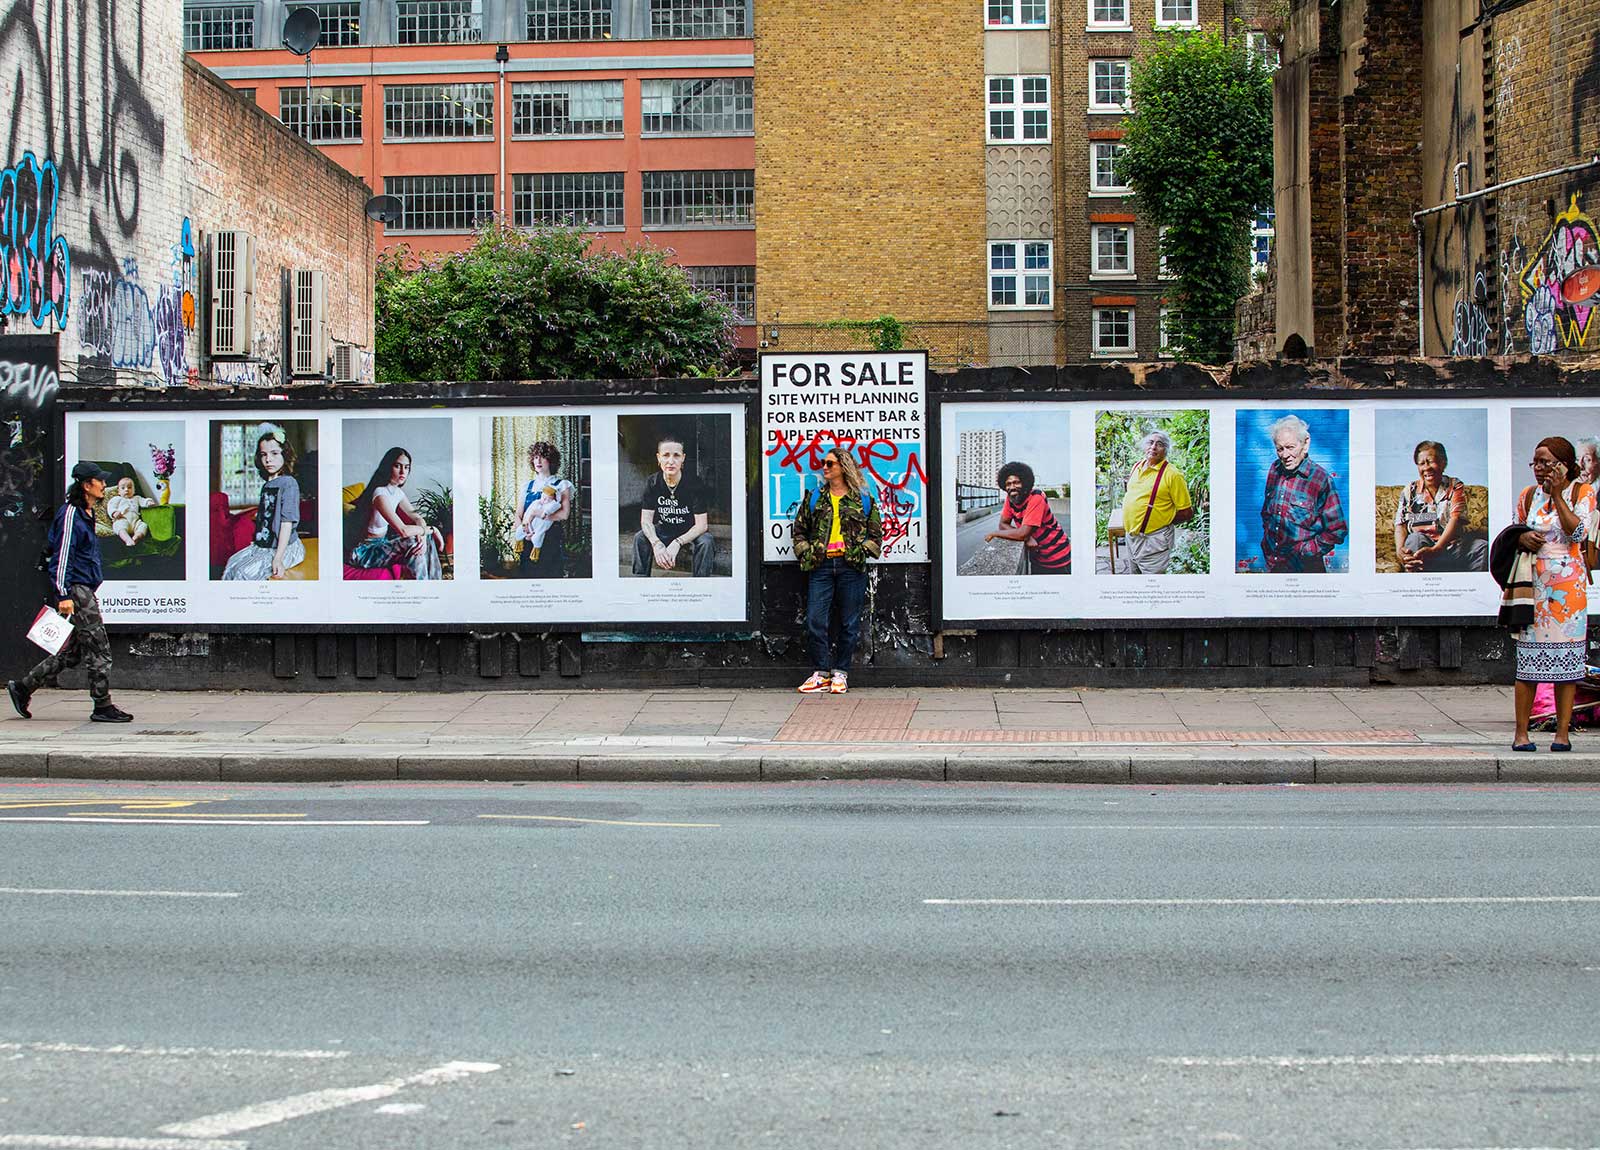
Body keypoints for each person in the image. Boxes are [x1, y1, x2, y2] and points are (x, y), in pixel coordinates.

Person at [7, 462, 133, 723]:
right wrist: (64, 595)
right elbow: (62, 557)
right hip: (76, 590)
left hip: (83, 588)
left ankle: (23, 687)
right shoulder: (72, 514)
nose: (103, 485)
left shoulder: (87, 512)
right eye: (99, 481)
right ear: (87, 485)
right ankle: (102, 705)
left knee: (73, 653)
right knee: (100, 649)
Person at [1511, 436, 1595, 751]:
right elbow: (1513, 533)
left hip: (1568, 590)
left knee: (1567, 664)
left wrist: (1558, 494)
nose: (1539, 469)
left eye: (1545, 462)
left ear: (1562, 464)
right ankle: (1521, 734)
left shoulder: (1581, 492)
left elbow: (1577, 532)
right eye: (1535, 462)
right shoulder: (1527, 495)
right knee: (1527, 662)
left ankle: (1562, 733)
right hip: (1533, 585)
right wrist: (1523, 539)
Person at [792, 448, 883, 694]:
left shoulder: (862, 499)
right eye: (824, 463)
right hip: (820, 566)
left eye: (830, 463)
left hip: (850, 568)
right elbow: (799, 530)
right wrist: (806, 553)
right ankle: (821, 673)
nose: (825, 467)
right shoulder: (815, 498)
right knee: (815, 619)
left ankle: (841, 673)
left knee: (849, 623)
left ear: (843, 467)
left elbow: (876, 535)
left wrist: (860, 553)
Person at [1259, 414, 1347, 573]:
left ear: (1305, 444)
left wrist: (1307, 551)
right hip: (1274, 563)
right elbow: (1267, 512)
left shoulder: (1320, 479)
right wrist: (1267, 541)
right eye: (1280, 449)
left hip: (1306, 567)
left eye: (1290, 447)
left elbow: (1337, 530)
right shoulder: (1274, 469)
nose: (1285, 455)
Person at [222, 426, 307, 580]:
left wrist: (278, 558)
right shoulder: (267, 484)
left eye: (274, 453)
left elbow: (286, 523)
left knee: (244, 573)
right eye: (263, 455)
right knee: (231, 563)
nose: (268, 459)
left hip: (284, 547)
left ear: (285, 455)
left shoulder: (289, 483)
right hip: (263, 544)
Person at [347, 446, 444, 580]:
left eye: (407, 467)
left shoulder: (397, 492)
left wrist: (422, 534)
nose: (403, 472)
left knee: (419, 539)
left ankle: (432, 583)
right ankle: (421, 587)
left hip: (383, 544)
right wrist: (432, 530)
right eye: (398, 466)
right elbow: (403, 531)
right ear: (388, 467)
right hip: (365, 552)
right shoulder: (379, 493)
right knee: (413, 540)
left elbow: (416, 516)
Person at [1393, 440, 1488, 573]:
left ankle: (1468, 590)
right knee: (1415, 538)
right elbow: (1400, 525)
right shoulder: (1410, 490)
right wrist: (1399, 552)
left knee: (1482, 547)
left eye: (1431, 461)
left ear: (1443, 463)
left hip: (1451, 547)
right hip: (1422, 549)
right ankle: (1419, 586)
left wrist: (1436, 549)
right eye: (1421, 463)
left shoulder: (1454, 485)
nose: (1426, 468)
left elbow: (1455, 519)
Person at [631, 434, 716, 577]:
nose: (671, 461)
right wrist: (657, 544)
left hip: (689, 530)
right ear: (659, 458)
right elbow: (646, 521)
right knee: (640, 537)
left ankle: (702, 584)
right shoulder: (652, 482)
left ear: (683, 458)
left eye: (676, 455)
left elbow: (702, 525)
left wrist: (677, 543)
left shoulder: (694, 483)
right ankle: (640, 583)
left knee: (707, 541)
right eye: (666, 455)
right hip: (663, 529)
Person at [1119, 430, 1194, 574]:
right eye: (1150, 442)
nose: (1153, 447)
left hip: (1154, 541)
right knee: (1135, 582)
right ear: (1144, 446)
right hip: (1131, 537)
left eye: (1159, 444)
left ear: (1166, 450)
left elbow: (1186, 513)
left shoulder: (1173, 475)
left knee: (1153, 585)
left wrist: (1161, 521)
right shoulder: (1137, 466)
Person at [985, 461, 1071, 574]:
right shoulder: (1011, 498)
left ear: (1025, 483)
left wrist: (995, 533)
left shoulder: (1036, 497)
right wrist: (1026, 537)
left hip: (1058, 557)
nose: (1012, 487)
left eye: (1016, 482)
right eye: (1008, 484)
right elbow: (1003, 524)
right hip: (1038, 559)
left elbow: (1022, 533)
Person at [516, 441, 574, 578]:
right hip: (528, 539)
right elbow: (518, 514)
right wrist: (525, 532)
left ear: (551, 460)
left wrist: (539, 514)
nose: (538, 460)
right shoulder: (527, 486)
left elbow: (564, 514)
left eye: (543, 456)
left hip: (550, 540)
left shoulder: (562, 485)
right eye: (535, 457)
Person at [106, 476, 156, 547]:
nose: (126, 490)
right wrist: (114, 513)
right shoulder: (117, 499)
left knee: (143, 525)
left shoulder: (137, 498)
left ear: (134, 490)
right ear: (118, 491)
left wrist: (148, 502)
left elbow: (143, 501)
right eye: (123, 488)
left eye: (129, 487)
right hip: (122, 518)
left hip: (135, 522)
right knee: (119, 526)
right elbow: (111, 506)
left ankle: (137, 536)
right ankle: (127, 539)